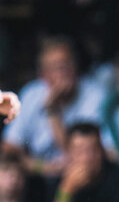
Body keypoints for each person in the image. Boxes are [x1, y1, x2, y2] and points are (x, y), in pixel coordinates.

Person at [2, 38, 106, 178]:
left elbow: (80, 155)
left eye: (67, 65)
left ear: (76, 67)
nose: (63, 72)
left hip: (83, 174)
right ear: (42, 75)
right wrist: (43, 167)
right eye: (56, 67)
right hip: (37, 175)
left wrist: (52, 111)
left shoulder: (95, 95)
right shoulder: (32, 93)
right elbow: (9, 148)